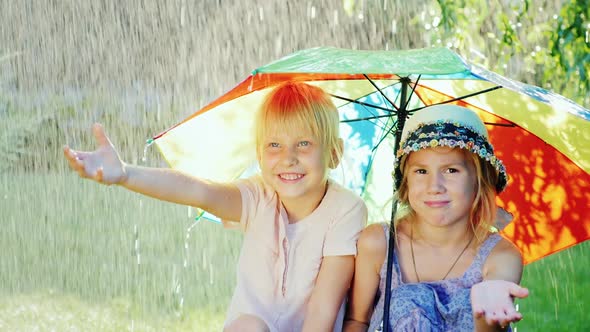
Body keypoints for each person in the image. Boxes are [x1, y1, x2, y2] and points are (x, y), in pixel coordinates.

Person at [64, 81, 368, 332]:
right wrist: (127, 174)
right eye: (274, 145)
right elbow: (198, 191)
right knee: (249, 326)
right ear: (260, 157)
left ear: (334, 153)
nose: (288, 157)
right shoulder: (259, 195)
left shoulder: (345, 209)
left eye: (304, 144)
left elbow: (323, 311)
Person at [343, 104, 529, 331]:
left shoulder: (500, 256)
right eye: (421, 171)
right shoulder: (378, 243)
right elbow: (357, 320)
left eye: (451, 170)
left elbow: (491, 323)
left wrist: (486, 315)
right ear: (405, 182)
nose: (434, 187)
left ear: (479, 180)